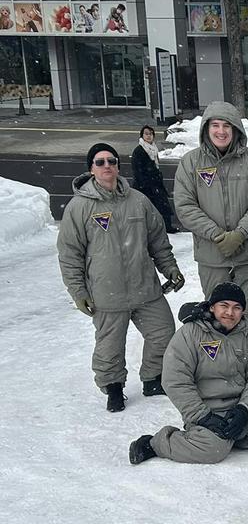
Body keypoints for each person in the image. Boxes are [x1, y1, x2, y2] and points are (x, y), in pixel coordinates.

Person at [57, 143, 185, 412]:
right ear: (91, 169)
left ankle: (153, 378)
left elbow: (158, 243)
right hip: (107, 293)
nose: (107, 166)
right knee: (110, 347)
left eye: (111, 161)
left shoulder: (138, 201)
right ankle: (113, 388)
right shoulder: (79, 207)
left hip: (145, 288)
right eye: (100, 162)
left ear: (118, 165)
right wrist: (78, 292)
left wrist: (170, 269)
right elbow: (70, 254)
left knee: (163, 334)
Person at [128, 282, 248, 465]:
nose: (230, 313)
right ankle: (156, 443)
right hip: (206, 409)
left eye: (236, 308)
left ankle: (224, 438)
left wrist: (244, 411)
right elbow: (175, 380)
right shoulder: (190, 334)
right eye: (224, 306)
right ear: (212, 307)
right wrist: (201, 416)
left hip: (239, 406)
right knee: (212, 452)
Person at [173, 101, 248, 301]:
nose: (221, 131)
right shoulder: (190, 162)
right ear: (206, 128)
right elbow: (185, 206)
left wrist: (239, 234)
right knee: (219, 317)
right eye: (215, 125)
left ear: (236, 129)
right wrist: (218, 236)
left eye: (227, 125)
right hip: (212, 259)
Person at [131, 125, 178, 233]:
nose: (149, 136)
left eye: (151, 134)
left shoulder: (153, 149)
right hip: (144, 186)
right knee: (147, 209)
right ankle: (149, 230)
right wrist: (145, 184)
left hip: (155, 183)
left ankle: (167, 227)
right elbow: (137, 170)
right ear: (142, 136)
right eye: (146, 134)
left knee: (163, 206)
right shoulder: (139, 151)